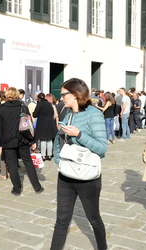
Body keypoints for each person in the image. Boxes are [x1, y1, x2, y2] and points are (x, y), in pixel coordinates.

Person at [51, 78, 107, 250]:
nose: (61, 99)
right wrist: (58, 159)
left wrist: (79, 134)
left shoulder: (94, 114)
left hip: (87, 177)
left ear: (75, 94)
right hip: (66, 175)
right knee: (61, 220)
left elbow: (102, 148)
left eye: (63, 95)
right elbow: (59, 139)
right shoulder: (68, 114)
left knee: (94, 219)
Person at [0, 87, 44, 196]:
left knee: (12, 164)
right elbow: (29, 125)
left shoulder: (2, 109)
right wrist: (33, 140)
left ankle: (16, 189)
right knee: (28, 163)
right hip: (23, 138)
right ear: (17, 95)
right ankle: (37, 187)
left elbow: (0, 128)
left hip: (8, 140)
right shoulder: (23, 107)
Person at [33, 93, 57, 161]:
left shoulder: (39, 104)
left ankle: (43, 155)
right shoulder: (49, 104)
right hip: (50, 123)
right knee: (49, 140)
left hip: (42, 124)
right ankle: (49, 155)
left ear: (39, 98)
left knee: (43, 140)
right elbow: (52, 113)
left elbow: (35, 114)